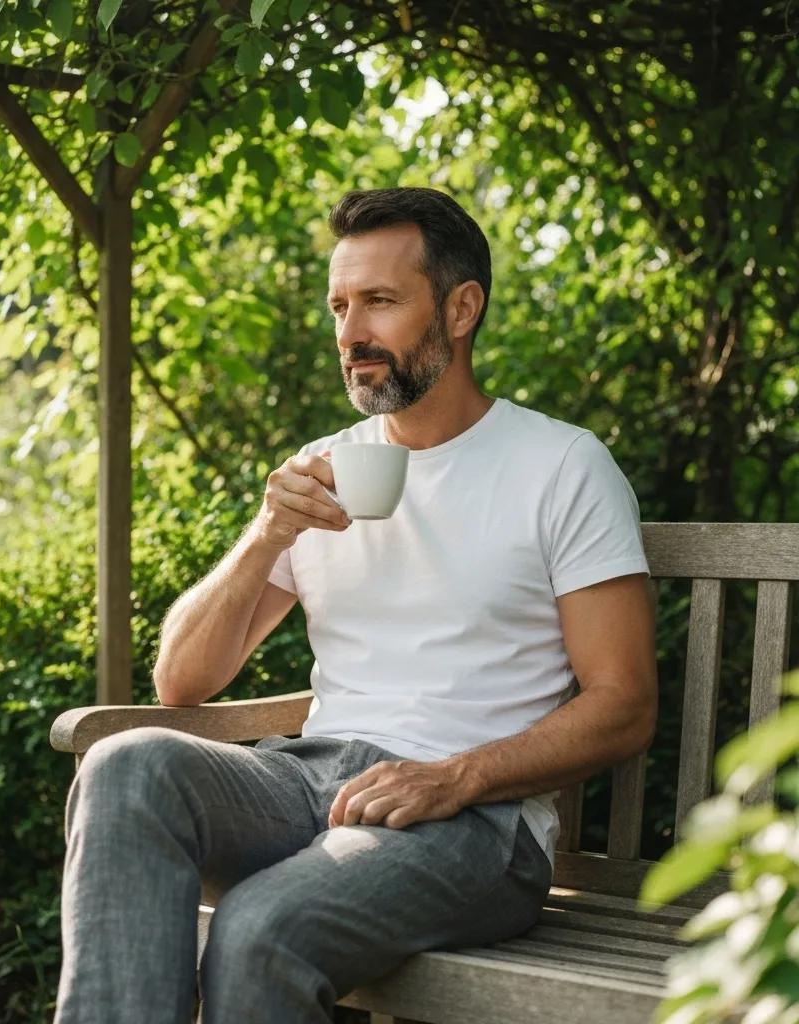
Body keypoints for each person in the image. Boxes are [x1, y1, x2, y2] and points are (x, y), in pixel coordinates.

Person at [54, 186, 658, 1024]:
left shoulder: (561, 466)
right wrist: (266, 533)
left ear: (460, 309)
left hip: (476, 823)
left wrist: (456, 777)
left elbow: (624, 705)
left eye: (379, 302)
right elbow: (182, 682)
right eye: (339, 306)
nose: (350, 333)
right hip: (312, 781)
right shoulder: (321, 468)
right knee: (125, 764)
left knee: (260, 929)